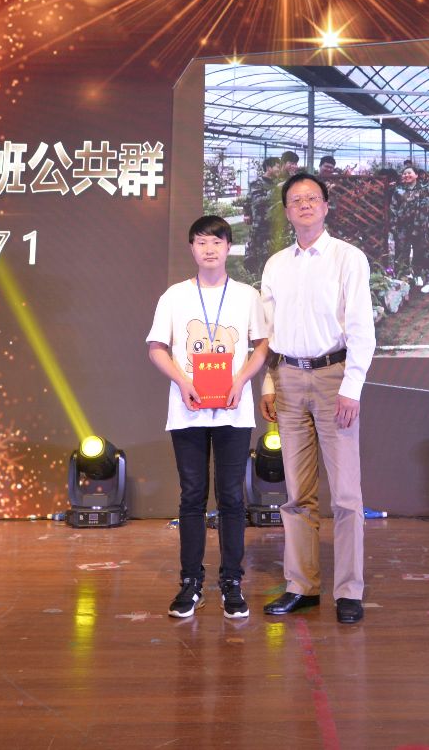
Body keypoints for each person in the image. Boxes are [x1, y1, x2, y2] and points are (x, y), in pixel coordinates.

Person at [260, 172, 376, 624]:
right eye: (296, 200)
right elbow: (268, 331)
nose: (305, 205)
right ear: (287, 212)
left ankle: (349, 590)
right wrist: (269, 382)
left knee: (345, 495)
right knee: (296, 494)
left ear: (326, 207)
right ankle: (301, 586)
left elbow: (361, 327)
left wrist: (352, 387)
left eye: (312, 198)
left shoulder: (348, 258)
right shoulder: (276, 265)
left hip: (334, 379)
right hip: (287, 379)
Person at [146, 216, 270, 618]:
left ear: (229, 247)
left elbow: (262, 345)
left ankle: (232, 582)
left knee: (232, 497)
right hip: (188, 409)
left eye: (217, 241)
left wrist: (241, 380)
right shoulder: (175, 296)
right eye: (201, 242)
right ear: (192, 249)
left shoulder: (247, 295)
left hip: (234, 409)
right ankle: (191, 582)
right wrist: (182, 381)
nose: (210, 249)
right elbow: (156, 347)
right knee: (192, 496)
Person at [388, 165, 424, 286]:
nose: (406, 175)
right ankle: (402, 274)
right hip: (402, 226)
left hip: (419, 226)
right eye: (404, 173)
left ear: (416, 175)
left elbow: (427, 208)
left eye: (409, 173)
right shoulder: (398, 190)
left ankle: (417, 274)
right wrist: (394, 225)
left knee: (419, 250)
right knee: (401, 251)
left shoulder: (424, 190)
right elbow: (393, 208)